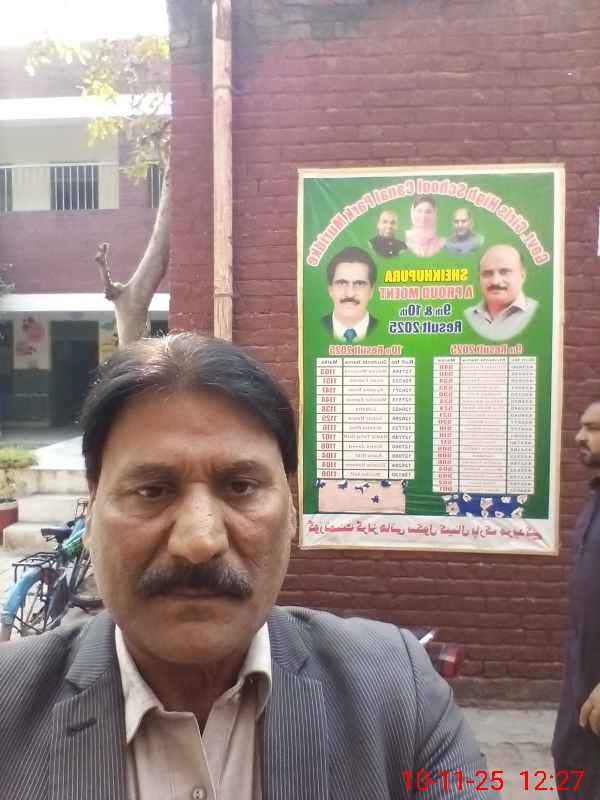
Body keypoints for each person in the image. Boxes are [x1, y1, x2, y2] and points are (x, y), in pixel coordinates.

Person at [0, 333, 486, 799]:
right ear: (92, 510)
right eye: (152, 491)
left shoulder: (399, 694)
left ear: (291, 510)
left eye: (241, 487)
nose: (200, 541)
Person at [553, 401, 600, 798]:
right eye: (582, 426)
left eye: (594, 428)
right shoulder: (593, 502)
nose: (580, 436)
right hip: (581, 684)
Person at [464, 244, 538, 341]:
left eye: (505, 272)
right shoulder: (468, 315)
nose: (495, 281)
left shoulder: (536, 313)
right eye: (487, 273)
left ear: (522, 276)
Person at [322, 246, 379, 342]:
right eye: (342, 283)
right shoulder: (313, 327)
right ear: (330, 289)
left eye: (359, 284)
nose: (350, 294)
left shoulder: (384, 329)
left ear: (371, 291)